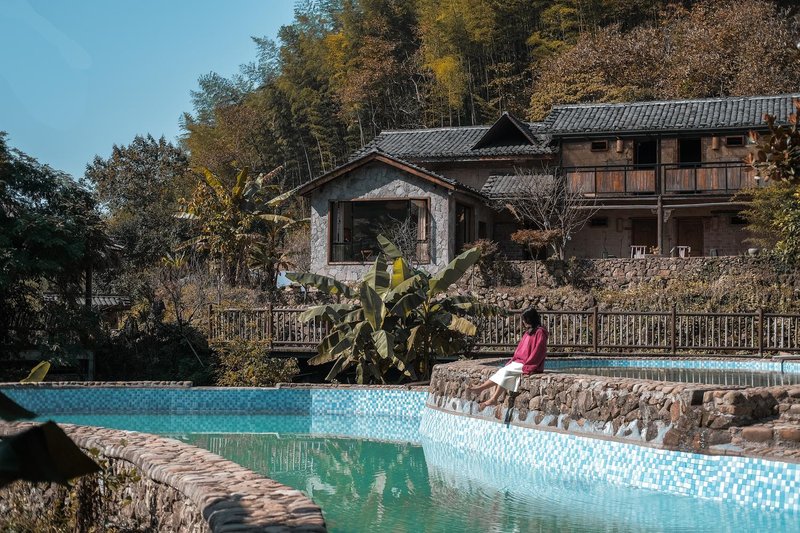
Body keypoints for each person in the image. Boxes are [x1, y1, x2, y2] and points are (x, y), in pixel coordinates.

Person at [467, 308, 548, 410]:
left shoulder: (540, 332)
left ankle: (489, 395)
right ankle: (485, 392)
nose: (523, 322)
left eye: (525, 319)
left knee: (506, 372)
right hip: (520, 361)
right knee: (503, 371)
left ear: (530, 319)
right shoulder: (529, 331)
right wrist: (514, 359)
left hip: (528, 363)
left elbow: (539, 351)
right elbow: (520, 349)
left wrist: (530, 366)